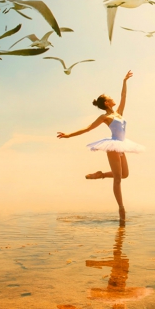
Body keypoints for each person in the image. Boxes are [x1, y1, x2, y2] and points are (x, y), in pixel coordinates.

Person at [57, 70, 144, 220]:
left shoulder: (119, 113)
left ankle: (100, 175)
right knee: (118, 178)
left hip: (122, 145)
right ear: (106, 103)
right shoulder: (105, 117)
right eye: (110, 98)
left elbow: (124, 96)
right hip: (112, 146)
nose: (114, 99)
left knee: (125, 175)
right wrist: (68, 135)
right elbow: (88, 128)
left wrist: (124, 81)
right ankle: (121, 209)